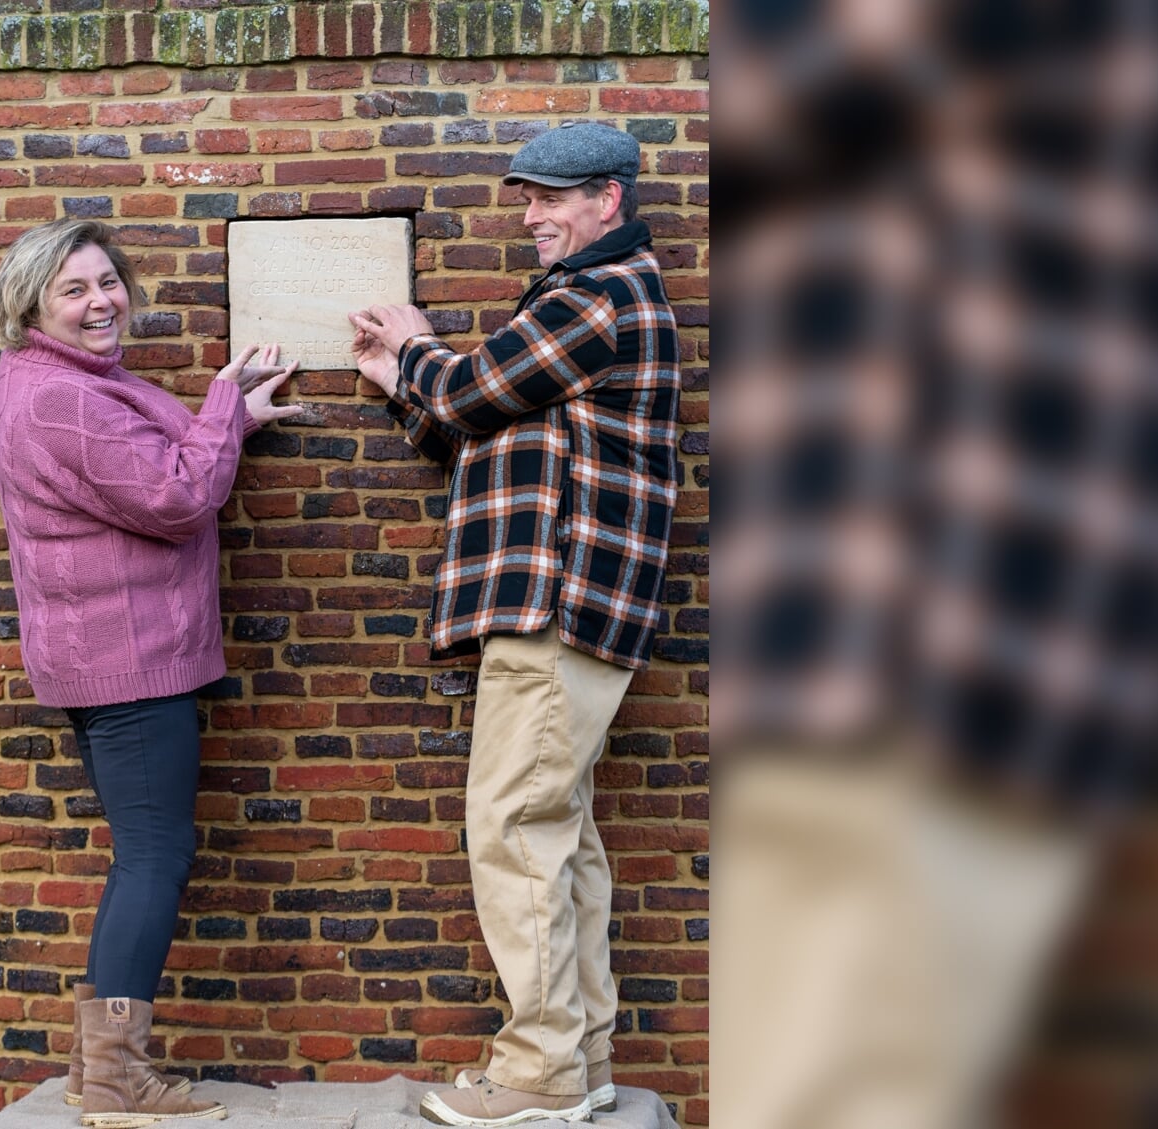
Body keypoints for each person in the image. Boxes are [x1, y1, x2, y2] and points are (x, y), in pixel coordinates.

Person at [348, 122, 681, 1128]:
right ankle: (577, 1064)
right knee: (559, 836)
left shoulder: (600, 298)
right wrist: (402, 380)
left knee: (513, 827)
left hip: (556, 603)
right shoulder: (591, 302)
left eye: (549, 198)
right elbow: (482, 428)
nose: (530, 215)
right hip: (569, 606)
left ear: (607, 202)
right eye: (528, 197)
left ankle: (537, 1073)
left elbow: (471, 389)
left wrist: (409, 346)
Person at [0, 218, 301, 1127]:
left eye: (108, 281)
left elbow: (154, 455)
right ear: (32, 306)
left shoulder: (59, 382)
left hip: (111, 655)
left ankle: (99, 1073)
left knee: (141, 858)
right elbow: (175, 494)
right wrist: (220, 405)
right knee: (155, 859)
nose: (101, 302)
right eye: (74, 290)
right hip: (127, 661)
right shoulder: (65, 398)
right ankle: (118, 1078)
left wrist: (230, 413)